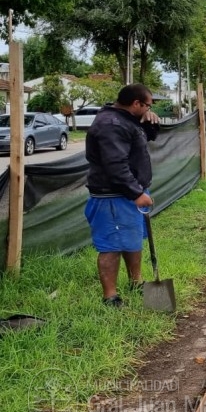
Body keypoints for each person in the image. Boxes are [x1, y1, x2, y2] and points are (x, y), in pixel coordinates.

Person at [85, 84, 160, 308]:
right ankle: (110, 297)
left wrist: (151, 122)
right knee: (111, 245)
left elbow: (143, 140)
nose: (148, 109)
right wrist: (136, 193)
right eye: (147, 105)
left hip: (128, 193)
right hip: (113, 196)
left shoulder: (126, 119)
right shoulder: (111, 124)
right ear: (136, 103)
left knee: (132, 239)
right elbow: (115, 165)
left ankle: (136, 282)